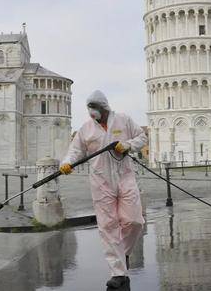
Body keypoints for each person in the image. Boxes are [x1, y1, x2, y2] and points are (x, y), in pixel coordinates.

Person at [60, 90, 147, 289]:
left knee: (134, 221)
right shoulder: (86, 129)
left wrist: (127, 145)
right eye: (90, 108)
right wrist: (66, 163)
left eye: (95, 108)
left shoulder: (123, 121)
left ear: (104, 107)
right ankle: (118, 273)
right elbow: (75, 151)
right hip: (101, 181)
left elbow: (142, 138)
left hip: (125, 177)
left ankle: (122, 252)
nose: (92, 112)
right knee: (108, 225)